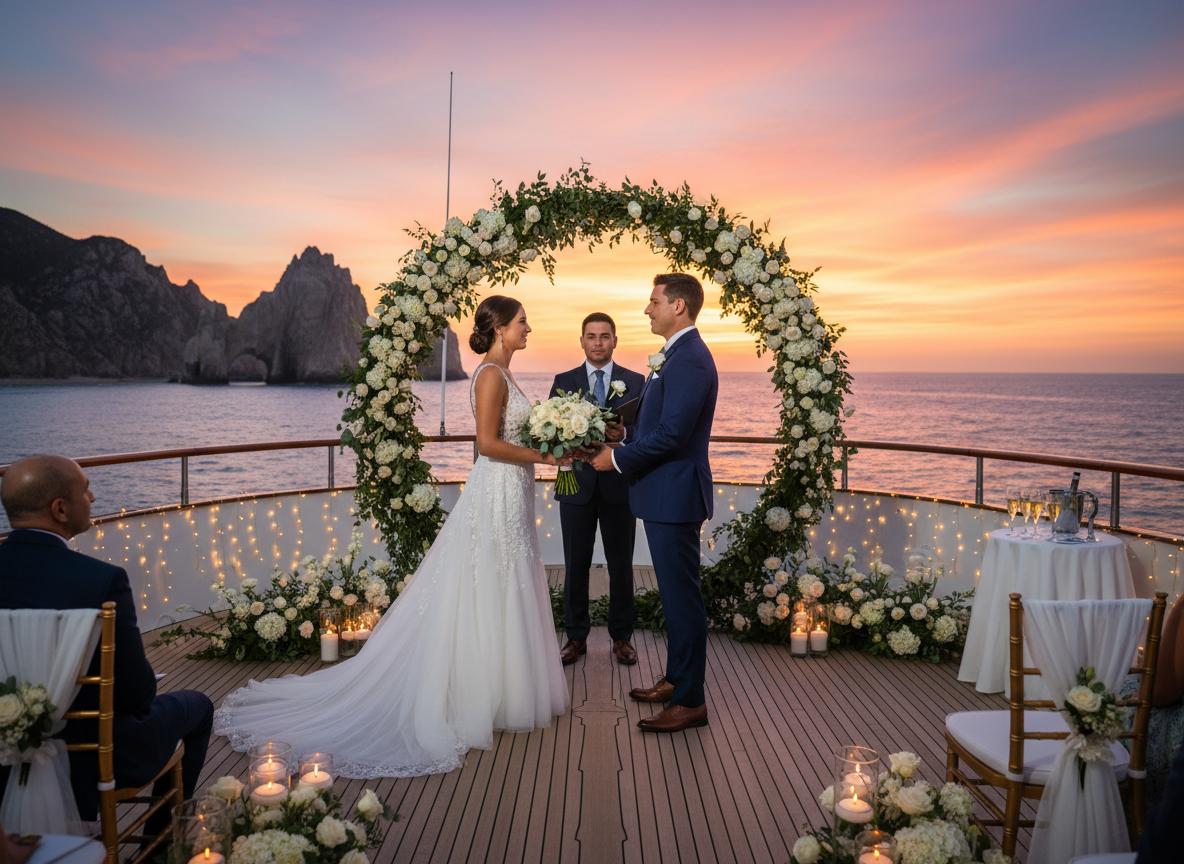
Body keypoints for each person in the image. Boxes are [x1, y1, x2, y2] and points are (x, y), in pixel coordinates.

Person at [214, 296, 569, 777]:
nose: (529, 327)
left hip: (514, 492)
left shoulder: (502, 375)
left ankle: (501, 690)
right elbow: (486, 444)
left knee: (505, 580)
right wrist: (545, 457)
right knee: (489, 580)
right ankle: (477, 695)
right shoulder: (488, 376)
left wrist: (552, 442)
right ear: (501, 329)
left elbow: (511, 438)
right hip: (496, 491)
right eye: (522, 321)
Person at [0, 455, 213, 835]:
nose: (94, 497)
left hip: (4, 759)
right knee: (197, 706)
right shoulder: (100, 580)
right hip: (95, 758)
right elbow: (137, 696)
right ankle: (161, 848)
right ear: (60, 509)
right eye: (86, 489)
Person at [585, 273, 718, 734]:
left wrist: (615, 458)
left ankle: (690, 701)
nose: (648, 309)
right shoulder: (675, 356)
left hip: (675, 495)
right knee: (675, 595)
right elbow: (658, 426)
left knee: (683, 601)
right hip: (663, 493)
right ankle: (676, 679)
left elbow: (675, 436)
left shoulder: (691, 360)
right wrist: (628, 434)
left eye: (654, 301)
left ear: (678, 306)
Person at [549, 312, 645, 667]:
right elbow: (551, 432)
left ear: (615, 340)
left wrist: (627, 436)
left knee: (622, 565)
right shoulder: (564, 381)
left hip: (620, 485)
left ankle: (622, 638)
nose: (598, 342)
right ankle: (575, 638)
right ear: (582, 341)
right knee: (576, 565)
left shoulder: (636, 381)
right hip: (575, 484)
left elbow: (645, 433)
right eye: (592, 336)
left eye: (605, 336)